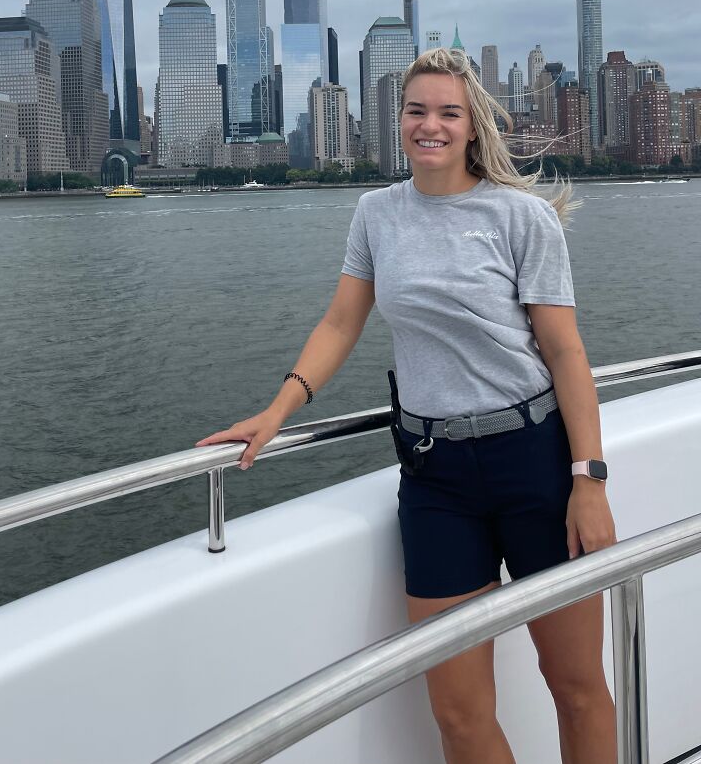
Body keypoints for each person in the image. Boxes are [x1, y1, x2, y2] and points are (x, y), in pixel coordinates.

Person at [196, 47, 617, 764]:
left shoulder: (520, 218)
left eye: (448, 112)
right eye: (417, 110)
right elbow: (340, 322)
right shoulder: (376, 213)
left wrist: (589, 478)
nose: (431, 125)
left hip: (534, 464)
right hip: (436, 477)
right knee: (457, 712)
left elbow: (565, 351)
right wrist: (277, 409)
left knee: (574, 683)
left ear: (472, 124)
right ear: (399, 122)